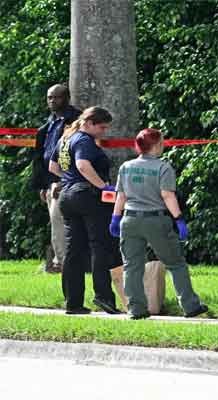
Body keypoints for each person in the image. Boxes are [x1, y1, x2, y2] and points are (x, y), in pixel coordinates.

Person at [109, 128, 208, 320]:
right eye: (162, 142)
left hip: (129, 220)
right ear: (156, 145)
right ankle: (190, 306)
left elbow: (120, 195)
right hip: (155, 220)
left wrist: (115, 218)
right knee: (176, 264)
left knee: (132, 266)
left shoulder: (126, 167)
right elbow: (167, 195)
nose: (163, 144)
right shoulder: (163, 167)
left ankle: (136, 309)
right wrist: (179, 219)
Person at [49, 106, 121, 314]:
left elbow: (53, 167)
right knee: (99, 245)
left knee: (74, 250)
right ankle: (103, 297)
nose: (103, 131)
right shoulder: (83, 140)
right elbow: (82, 165)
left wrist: (70, 179)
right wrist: (103, 186)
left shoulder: (65, 139)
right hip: (87, 196)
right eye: (102, 127)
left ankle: (73, 302)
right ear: (89, 123)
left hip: (67, 196)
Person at [31, 84, 81, 273]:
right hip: (51, 181)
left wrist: (64, 180)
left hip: (68, 181)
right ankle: (62, 263)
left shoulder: (77, 120)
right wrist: (43, 185)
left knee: (61, 222)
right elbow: (42, 155)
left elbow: (80, 153)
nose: (52, 101)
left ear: (67, 98)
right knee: (56, 223)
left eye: (56, 97)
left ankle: (64, 264)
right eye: (49, 97)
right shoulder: (50, 122)